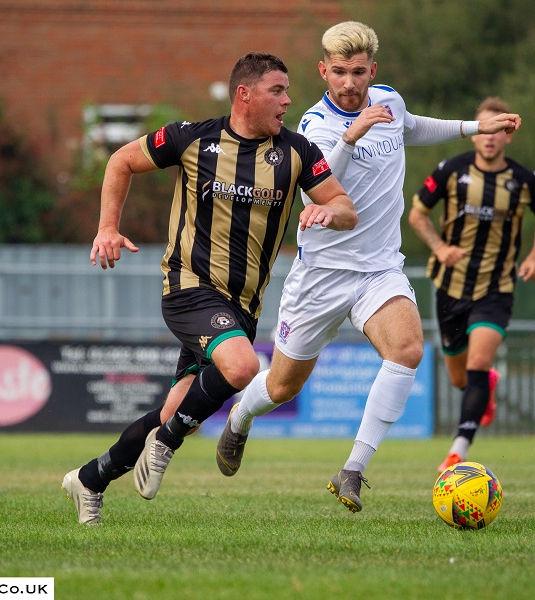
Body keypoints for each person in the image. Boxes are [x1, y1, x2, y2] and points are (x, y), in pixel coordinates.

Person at [214, 22, 523, 513]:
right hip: (321, 274)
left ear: (372, 70)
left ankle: (353, 469)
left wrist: (471, 127)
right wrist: (352, 136)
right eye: (339, 72)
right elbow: (319, 181)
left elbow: (412, 126)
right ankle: (239, 419)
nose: (349, 83)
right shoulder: (313, 125)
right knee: (282, 385)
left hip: (378, 268)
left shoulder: (388, 101)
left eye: (358, 72)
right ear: (323, 71)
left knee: (407, 350)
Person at [60, 51, 357, 524]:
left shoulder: (297, 153)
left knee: (172, 409)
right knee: (241, 367)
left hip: (242, 306)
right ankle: (166, 445)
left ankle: (90, 479)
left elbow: (345, 207)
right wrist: (107, 228)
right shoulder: (192, 138)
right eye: (276, 90)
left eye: (287, 91)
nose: (287, 100)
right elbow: (120, 161)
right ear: (245, 94)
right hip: (188, 287)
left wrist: (328, 211)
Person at [409, 96, 535, 474]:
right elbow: (417, 215)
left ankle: (458, 449)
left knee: (477, 360)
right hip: (450, 287)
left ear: (508, 135)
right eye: (483, 130)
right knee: (460, 375)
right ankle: (485, 383)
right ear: (475, 134)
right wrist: (440, 248)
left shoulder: (525, 181)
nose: (490, 138)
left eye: (498, 131)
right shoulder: (450, 171)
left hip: (496, 289)